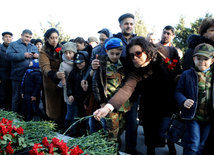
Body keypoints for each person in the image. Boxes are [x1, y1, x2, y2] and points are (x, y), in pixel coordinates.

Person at [93, 36, 181, 155]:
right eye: (132, 55)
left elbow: (177, 68)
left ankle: (171, 147)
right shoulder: (136, 71)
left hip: (167, 101)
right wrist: (107, 107)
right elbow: (126, 89)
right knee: (150, 135)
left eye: (138, 53)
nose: (135, 58)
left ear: (146, 50)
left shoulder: (163, 54)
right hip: (148, 103)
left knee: (165, 131)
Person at [91, 38, 131, 148]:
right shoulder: (101, 64)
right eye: (111, 53)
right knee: (111, 133)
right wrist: (101, 102)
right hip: (108, 104)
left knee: (121, 130)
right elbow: (95, 84)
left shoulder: (124, 64)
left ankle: (115, 148)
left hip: (123, 105)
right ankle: (111, 150)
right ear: (107, 51)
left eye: (117, 53)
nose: (114, 56)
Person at [175, 43, 214, 155]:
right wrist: (183, 100)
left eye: (205, 59)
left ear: (212, 61)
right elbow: (178, 91)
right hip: (193, 116)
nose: (202, 62)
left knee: (201, 145)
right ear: (193, 59)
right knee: (193, 144)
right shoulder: (187, 74)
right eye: (199, 58)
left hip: (208, 118)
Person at [39, 28, 66, 130]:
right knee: (53, 108)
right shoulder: (43, 52)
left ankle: (63, 127)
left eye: (56, 38)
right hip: (50, 82)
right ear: (47, 39)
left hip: (63, 81)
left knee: (63, 106)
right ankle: (52, 127)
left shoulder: (62, 49)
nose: (54, 40)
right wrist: (55, 75)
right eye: (52, 38)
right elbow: (45, 68)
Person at [6, 29, 38, 113]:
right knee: (16, 97)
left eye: (30, 37)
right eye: (26, 37)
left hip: (30, 77)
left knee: (27, 98)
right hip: (17, 76)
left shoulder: (33, 46)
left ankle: (25, 117)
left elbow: (39, 58)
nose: (28, 39)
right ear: (21, 35)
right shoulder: (13, 44)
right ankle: (14, 117)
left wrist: (37, 56)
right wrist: (23, 55)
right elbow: (8, 56)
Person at [66, 51, 90, 137]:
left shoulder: (89, 72)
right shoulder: (74, 72)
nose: (79, 65)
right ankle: (74, 134)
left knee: (86, 119)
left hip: (86, 100)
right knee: (75, 117)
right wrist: (70, 94)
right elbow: (69, 83)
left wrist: (86, 101)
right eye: (77, 63)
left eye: (81, 62)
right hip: (76, 99)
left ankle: (85, 134)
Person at [0, 31, 13, 110]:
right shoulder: (0, 49)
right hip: (2, 76)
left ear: (12, 38)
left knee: (11, 95)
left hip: (13, 75)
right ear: (2, 38)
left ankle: (11, 112)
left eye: (9, 37)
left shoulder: (14, 48)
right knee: (2, 95)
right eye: (6, 37)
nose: (8, 38)